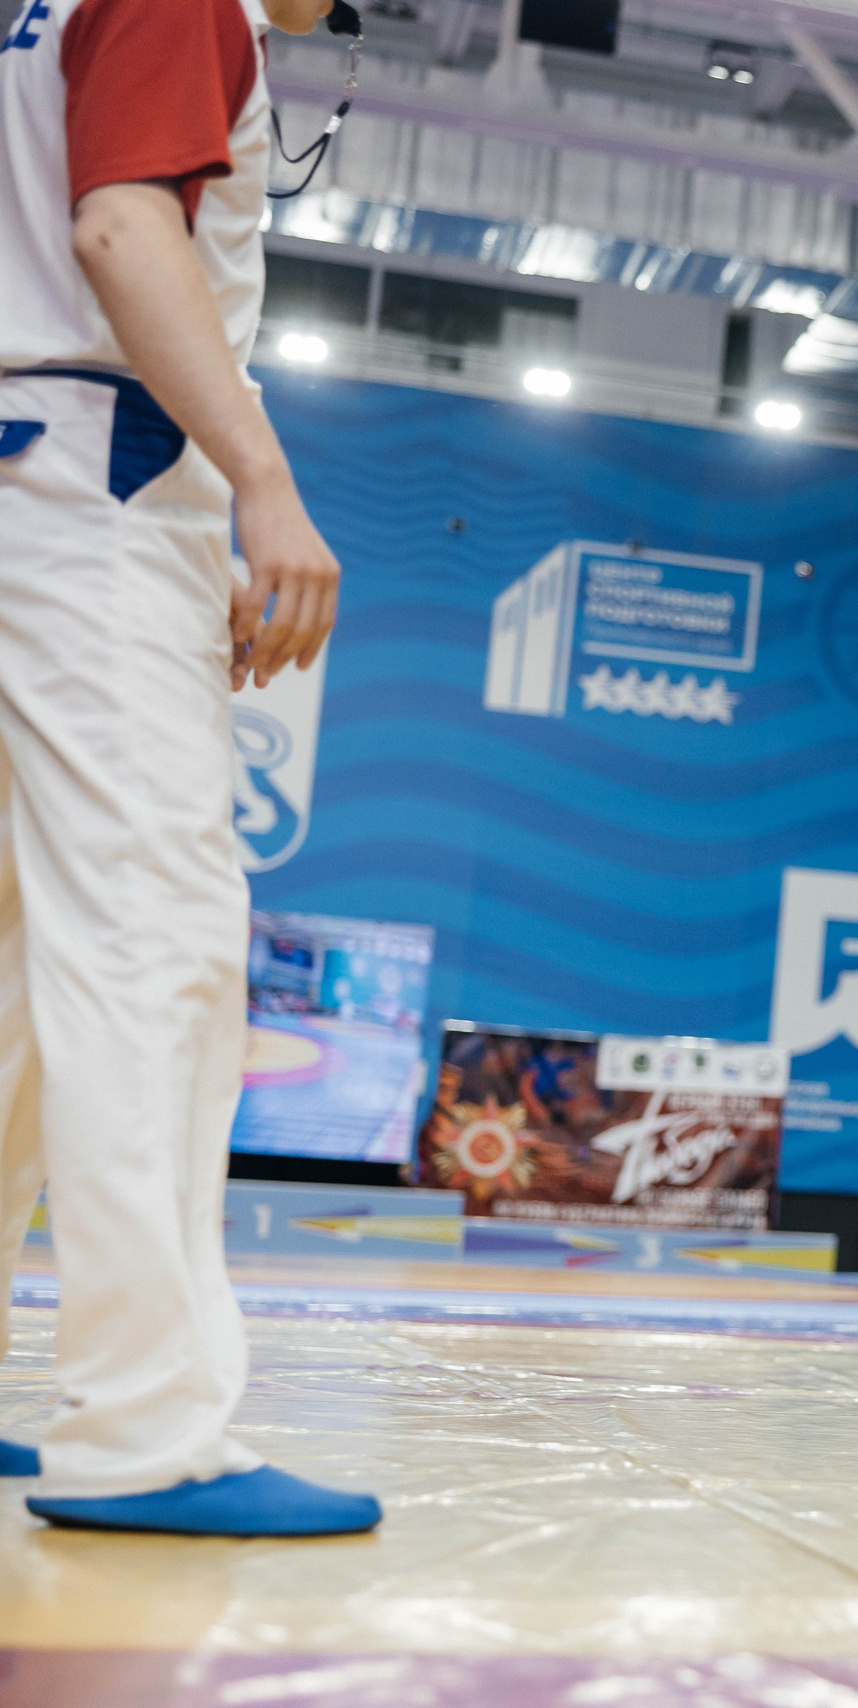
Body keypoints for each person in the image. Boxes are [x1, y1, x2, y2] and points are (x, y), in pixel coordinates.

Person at [0, 0, 378, 1535]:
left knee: (16, 986)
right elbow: (119, 227)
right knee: (154, 950)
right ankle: (145, 1431)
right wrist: (260, 483)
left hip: (39, 468)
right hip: (90, 489)